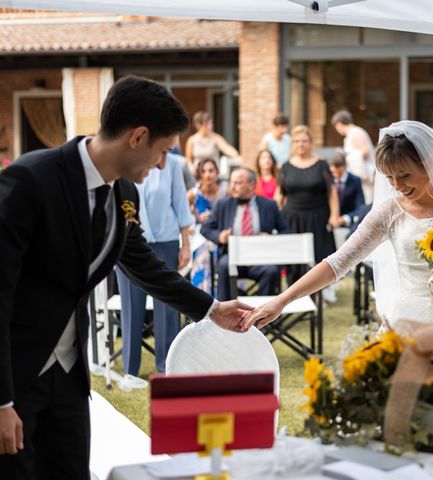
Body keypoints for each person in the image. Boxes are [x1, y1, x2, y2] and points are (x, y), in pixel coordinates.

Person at [0, 76, 253, 480]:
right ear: (138, 137)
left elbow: (144, 264)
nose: (160, 165)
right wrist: (1, 400)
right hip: (14, 375)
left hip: (68, 377)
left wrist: (211, 308)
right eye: (163, 152)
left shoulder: (123, 195)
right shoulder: (32, 179)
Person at [243, 121, 433, 332]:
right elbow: (337, 263)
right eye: (389, 177)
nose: (397, 185)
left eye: (404, 175)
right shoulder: (389, 213)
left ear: (430, 162)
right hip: (410, 322)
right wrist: (283, 299)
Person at [115, 150, 194, 388]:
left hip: (166, 241)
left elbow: (181, 204)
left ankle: (167, 367)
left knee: (168, 307)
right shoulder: (125, 161)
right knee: (131, 305)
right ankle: (130, 370)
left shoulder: (173, 165)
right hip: (128, 241)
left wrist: (186, 244)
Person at [201, 168, 289, 301]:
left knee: (272, 271)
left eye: (238, 183)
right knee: (224, 265)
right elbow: (206, 228)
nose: (232, 187)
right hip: (232, 257)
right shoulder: (223, 204)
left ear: (252, 185)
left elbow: (286, 231)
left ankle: (261, 315)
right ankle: (225, 312)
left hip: (261, 258)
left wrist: (271, 238)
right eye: (232, 182)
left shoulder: (269, 205)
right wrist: (220, 236)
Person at [276, 125, 341, 284]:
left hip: (317, 218)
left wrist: (334, 216)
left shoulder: (321, 165)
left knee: (319, 257)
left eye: (304, 141)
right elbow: (280, 194)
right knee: (293, 259)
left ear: (310, 143)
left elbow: (332, 193)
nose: (300, 144)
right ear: (292, 144)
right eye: (296, 141)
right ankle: (294, 292)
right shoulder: (286, 166)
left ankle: (318, 294)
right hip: (292, 218)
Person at [187, 158, 227, 294]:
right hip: (199, 233)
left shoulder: (225, 192)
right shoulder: (193, 193)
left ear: (217, 173)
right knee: (203, 254)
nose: (208, 175)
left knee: (217, 253)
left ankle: (220, 293)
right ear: (200, 174)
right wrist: (195, 217)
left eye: (211, 171)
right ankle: (201, 294)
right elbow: (182, 214)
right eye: (204, 171)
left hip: (219, 232)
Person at [331, 110, 376, 203]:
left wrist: (348, 157)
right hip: (358, 176)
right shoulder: (350, 134)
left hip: (364, 176)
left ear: (339, 124)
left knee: (366, 202)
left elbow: (365, 151)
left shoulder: (356, 132)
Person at [328, 150, 365, 229]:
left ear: (344, 166)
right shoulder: (327, 180)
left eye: (338, 168)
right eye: (332, 169)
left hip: (349, 224)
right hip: (328, 223)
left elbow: (361, 207)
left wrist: (344, 219)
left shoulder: (355, 180)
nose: (335, 171)